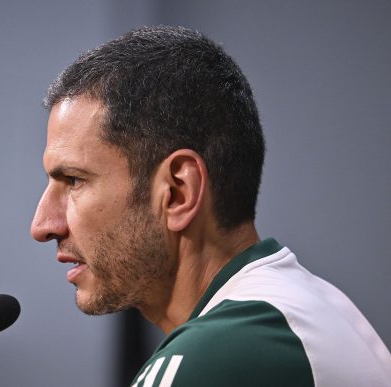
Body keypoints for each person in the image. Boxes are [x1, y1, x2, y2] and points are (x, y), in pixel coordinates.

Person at [30, 26, 391, 386]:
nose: (43, 225)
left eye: (74, 181)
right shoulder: (304, 312)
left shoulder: (225, 353)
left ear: (177, 193)